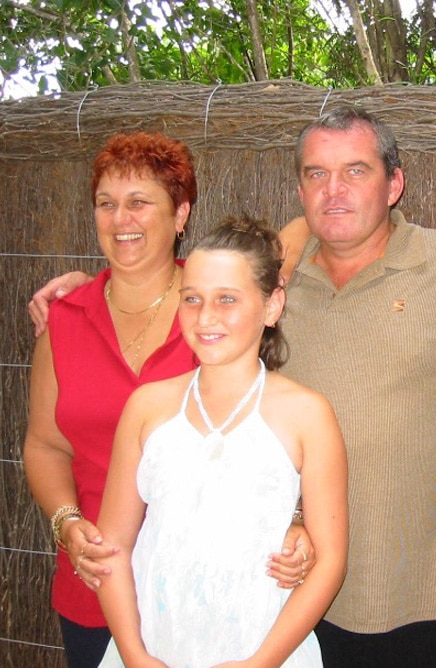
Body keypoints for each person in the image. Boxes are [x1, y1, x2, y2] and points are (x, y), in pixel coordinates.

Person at [27, 109, 436, 668]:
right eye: (315, 174)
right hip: (296, 601)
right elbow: (184, 290)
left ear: (395, 184)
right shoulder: (267, 292)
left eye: (356, 171)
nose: (333, 191)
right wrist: (90, 285)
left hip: (432, 598)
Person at [23, 132, 311, 668]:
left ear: (181, 215)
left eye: (139, 202)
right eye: (106, 204)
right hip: (99, 576)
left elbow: (274, 434)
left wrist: (294, 518)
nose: (121, 218)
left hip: (220, 595)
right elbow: (43, 445)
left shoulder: (219, 311)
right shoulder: (63, 320)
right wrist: (66, 522)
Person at [94, 217, 348, 667]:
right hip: (153, 647)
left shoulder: (307, 415)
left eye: (227, 299)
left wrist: (261, 662)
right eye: (192, 299)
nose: (205, 317)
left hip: (263, 648)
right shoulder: (147, 407)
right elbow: (113, 546)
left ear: (272, 307)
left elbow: (329, 561)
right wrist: (134, 655)